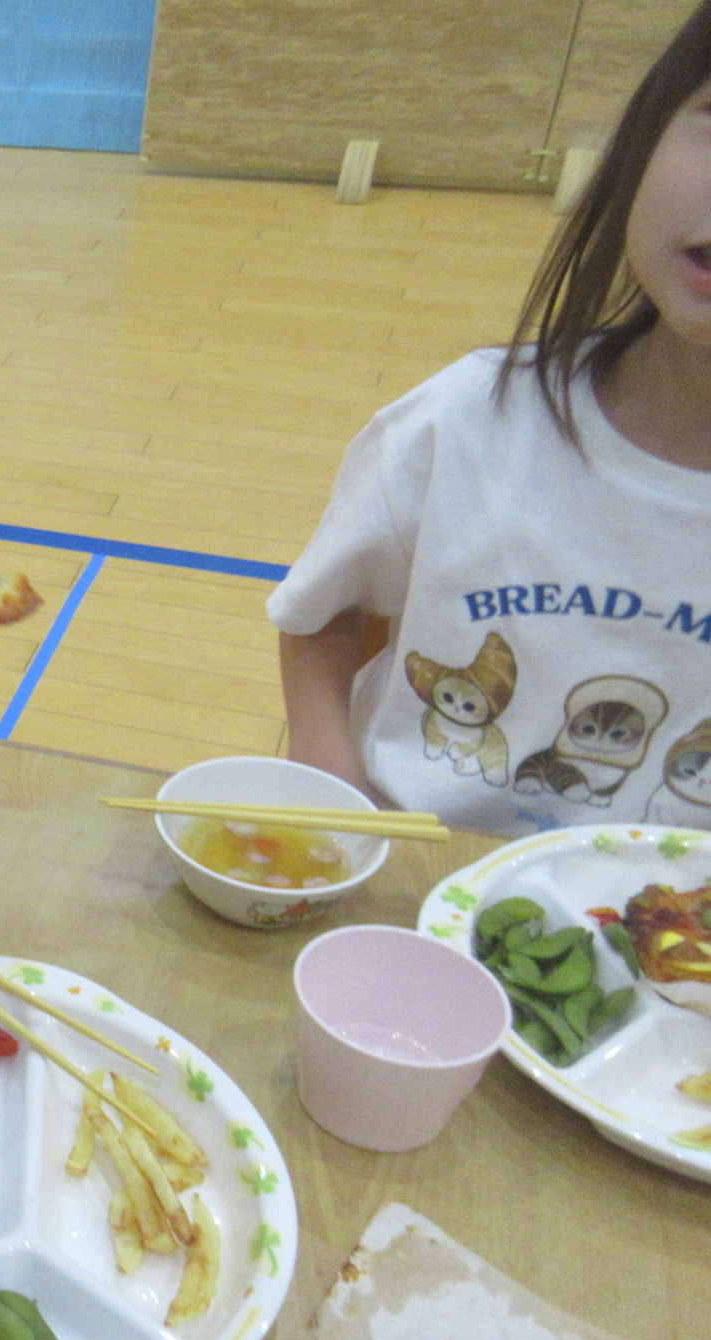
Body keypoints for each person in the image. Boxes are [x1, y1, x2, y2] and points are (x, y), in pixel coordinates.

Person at [270, 2, 711, 835]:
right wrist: (333, 782)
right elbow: (321, 613)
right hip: (411, 881)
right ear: (645, 137)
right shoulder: (464, 422)